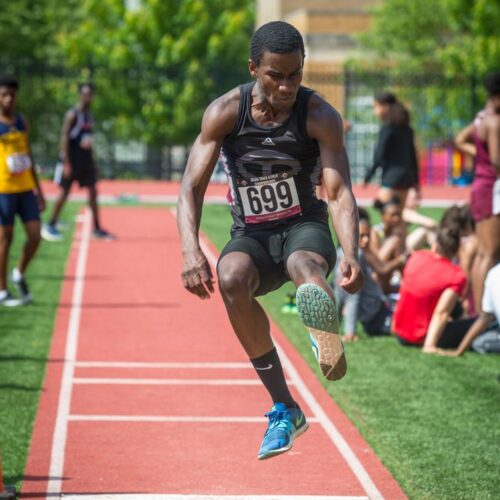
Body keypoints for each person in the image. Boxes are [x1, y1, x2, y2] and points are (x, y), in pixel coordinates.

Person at [177, 21, 363, 460]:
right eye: (275, 75)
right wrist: (189, 250)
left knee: (303, 266)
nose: (286, 85)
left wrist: (351, 250)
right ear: (253, 68)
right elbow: (190, 186)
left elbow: (337, 192)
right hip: (252, 233)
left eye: (295, 75)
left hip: (304, 225)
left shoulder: (319, 116)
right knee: (230, 277)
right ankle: (285, 407)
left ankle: (322, 332)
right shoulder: (225, 112)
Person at [41, 83, 113, 241]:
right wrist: (66, 163)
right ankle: (50, 224)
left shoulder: (89, 115)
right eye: (85, 94)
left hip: (85, 160)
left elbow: (88, 141)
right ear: (80, 95)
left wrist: (93, 162)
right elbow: (64, 137)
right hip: (71, 160)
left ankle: (97, 228)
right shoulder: (73, 114)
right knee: (64, 192)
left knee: (93, 190)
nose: (88, 97)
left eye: (91, 94)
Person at [454, 73, 500, 311]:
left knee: (483, 253)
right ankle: (483, 313)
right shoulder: (494, 121)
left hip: (480, 186)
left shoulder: (481, 117)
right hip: (492, 186)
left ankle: (477, 309)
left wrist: (477, 155)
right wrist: (485, 157)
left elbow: (460, 139)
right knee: (490, 254)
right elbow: (497, 160)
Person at [392, 224, 475, 352]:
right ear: (456, 250)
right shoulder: (456, 275)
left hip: (401, 334)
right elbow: (441, 313)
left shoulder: (416, 257)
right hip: (421, 337)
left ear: (435, 245)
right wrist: (429, 346)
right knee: (481, 323)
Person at [0, 75, 46, 306]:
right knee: (5, 239)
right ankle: (2, 290)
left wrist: (39, 190)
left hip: (26, 188)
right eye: (4, 95)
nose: (8, 99)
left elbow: (28, 154)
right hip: (4, 189)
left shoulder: (20, 121)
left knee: (35, 235)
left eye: (12, 95)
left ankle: (18, 272)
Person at [334, 207, 404, 341]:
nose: (365, 240)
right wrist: (350, 332)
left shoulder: (344, 253)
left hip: (379, 309)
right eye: (361, 236)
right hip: (377, 316)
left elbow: (339, 292)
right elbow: (351, 297)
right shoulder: (357, 255)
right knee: (406, 328)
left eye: (367, 235)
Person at [364, 92, 420, 209]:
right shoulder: (407, 129)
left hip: (391, 178)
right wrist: (415, 181)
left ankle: (430, 223)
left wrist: (368, 176)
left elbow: (379, 156)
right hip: (406, 178)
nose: (375, 111)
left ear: (385, 107)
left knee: (387, 212)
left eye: (376, 107)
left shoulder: (387, 129)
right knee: (397, 216)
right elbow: (413, 156)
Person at [436, 263, 500, 356]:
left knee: (480, 343)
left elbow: (485, 318)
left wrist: (459, 351)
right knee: (480, 342)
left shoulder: (493, 274)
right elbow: (485, 318)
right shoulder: (493, 275)